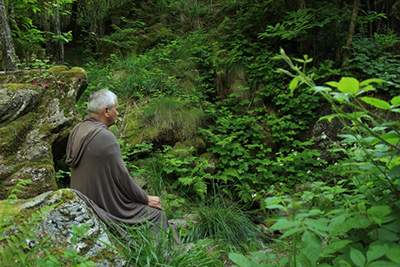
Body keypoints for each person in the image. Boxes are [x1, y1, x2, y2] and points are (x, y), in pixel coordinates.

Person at [65, 89, 179, 244]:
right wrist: (145, 199)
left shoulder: (77, 130)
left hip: (82, 201)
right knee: (157, 215)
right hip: (102, 208)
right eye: (116, 109)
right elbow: (122, 178)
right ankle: (166, 256)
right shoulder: (104, 136)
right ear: (106, 111)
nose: (118, 113)